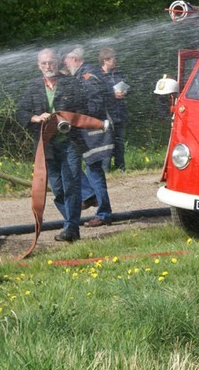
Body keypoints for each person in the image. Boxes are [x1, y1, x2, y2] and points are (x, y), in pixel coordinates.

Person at [15, 48, 89, 242]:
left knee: (71, 185)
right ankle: (71, 223)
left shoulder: (70, 84)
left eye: (51, 63)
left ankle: (71, 228)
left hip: (70, 143)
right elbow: (20, 112)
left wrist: (64, 118)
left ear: (57, 63)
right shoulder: (33, 87)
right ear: (38, 66)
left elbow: (83, 109)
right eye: (44, 63)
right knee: (57, 188)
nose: (48, 66)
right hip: (46, 147)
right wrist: (36, 117)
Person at [63, 46, 114, 227]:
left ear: (75, 59)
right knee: (73, 166)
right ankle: (90, 196)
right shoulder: (81, 75)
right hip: (87, 134)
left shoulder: (87, 76)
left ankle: (104, 213)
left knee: (94, 172)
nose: (64, 63)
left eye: (66, 59)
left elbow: (96, 105)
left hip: (94, 134)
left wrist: (77, 115)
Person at [97, 48, 128, 172]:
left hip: (120, 113)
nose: (116, 60)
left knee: (119, 142)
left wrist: (125, 91)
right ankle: (106, 168)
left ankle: (120, 167)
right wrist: (112, 94)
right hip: (105, 114)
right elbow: (97, 92)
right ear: (106, 60)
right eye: (113, 58)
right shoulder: (98, 75)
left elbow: (127, 85)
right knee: (107, 141)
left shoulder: (119, 74)